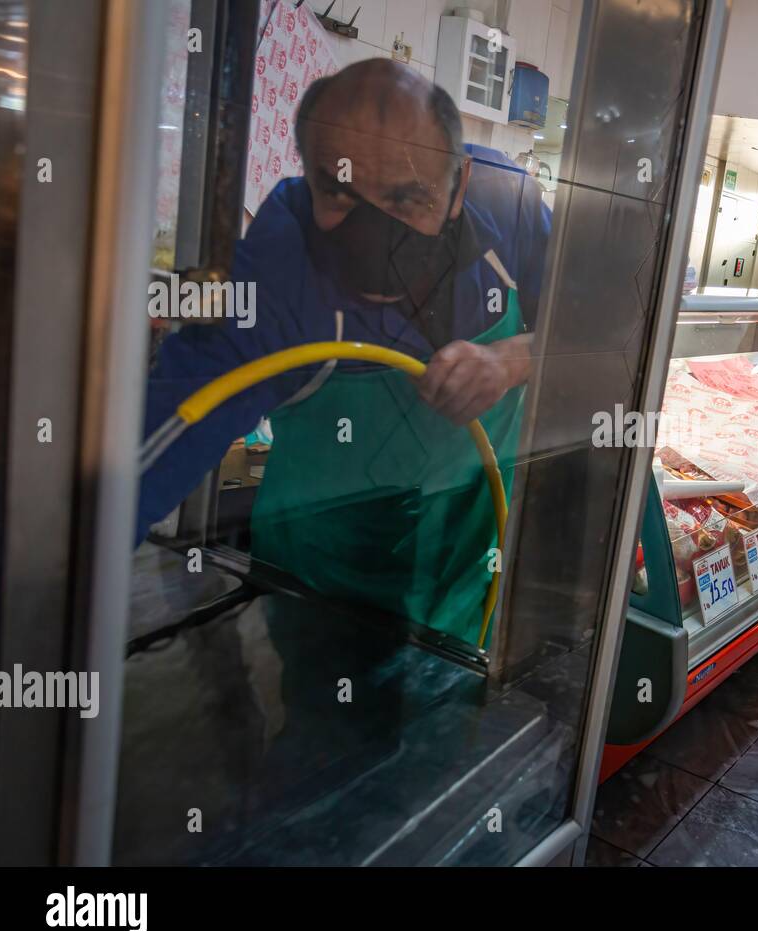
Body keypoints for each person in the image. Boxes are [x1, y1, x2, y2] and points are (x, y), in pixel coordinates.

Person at [137, 60, 550, 643]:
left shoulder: (510, 207)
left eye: (407, 199)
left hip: (471, 574)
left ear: (459, 185)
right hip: (318, 594)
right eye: (340, 193)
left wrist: (512, 360)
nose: (374, 234)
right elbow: (148, 450)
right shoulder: (280, 270)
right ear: (309, 177)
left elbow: (602, 331)